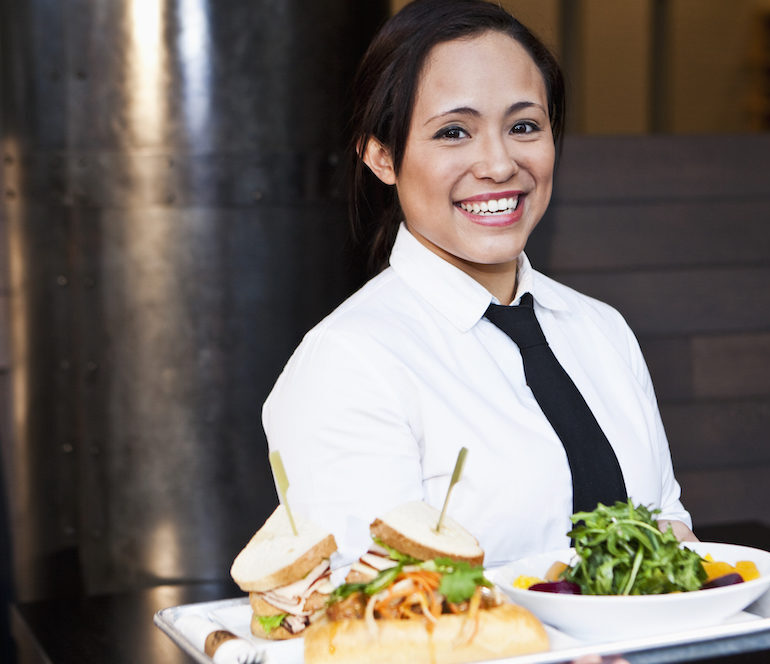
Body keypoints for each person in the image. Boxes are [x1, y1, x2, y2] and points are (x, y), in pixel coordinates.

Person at [262, 0, 696, 572]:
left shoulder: (602, 330)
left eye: (523, 126)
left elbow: (669, 526)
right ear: (382, 155)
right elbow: (377, 610)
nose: (498, 164)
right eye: (453, 132)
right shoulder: (348, 361)